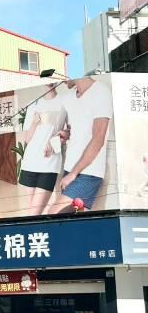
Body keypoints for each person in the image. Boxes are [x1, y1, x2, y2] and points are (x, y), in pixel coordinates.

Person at [50, 76, 113, 214]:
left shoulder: (101, 92)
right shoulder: (70, 98)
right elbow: (76, 128)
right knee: (74, 217)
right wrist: (66, 134)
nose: (60, 79)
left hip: (89, 172)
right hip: (69, 168)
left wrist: (73, 173)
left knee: (54, 213)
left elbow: (98, 138)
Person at [18, 83, 67, 215]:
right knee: (33, 212)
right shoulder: (34, 105)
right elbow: (27, 139)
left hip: (49, 164)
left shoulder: (64, 102)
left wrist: (56, 141)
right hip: (30, 163)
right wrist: (34, 123)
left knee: (34, 213)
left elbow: (69, 131)